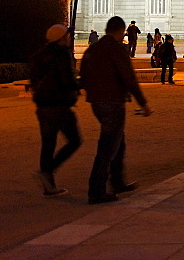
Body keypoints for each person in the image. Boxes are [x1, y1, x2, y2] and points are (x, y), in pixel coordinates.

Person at [79, 15, 151, 204]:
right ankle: (96, 190)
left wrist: (94, 92)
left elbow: (83, 75)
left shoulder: (93, 49)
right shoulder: (117, 49)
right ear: (120, 31)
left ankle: (117, 181)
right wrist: (143, 103)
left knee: (118, 141)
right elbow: (129, 78)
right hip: (113, 103)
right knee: (108, 145)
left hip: (96, 103)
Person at [29, 24, 82, 197]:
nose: (69, 37)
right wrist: (80, 85)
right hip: (59, 105)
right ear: (61, 38)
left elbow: (34, 80)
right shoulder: (62, 54)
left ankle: (48, 186)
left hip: (42, 105)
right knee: (75, 141)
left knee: (48, 144)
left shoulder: (38, 55)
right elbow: (67, 80)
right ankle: (47, 172)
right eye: (67, 35)